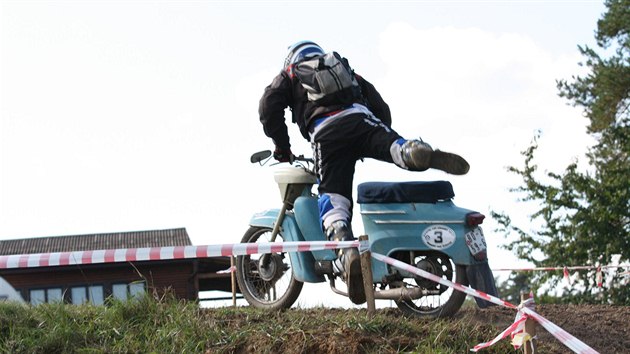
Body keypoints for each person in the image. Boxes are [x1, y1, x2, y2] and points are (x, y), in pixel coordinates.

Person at [258, 41, 469, 304]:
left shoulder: (290, 73)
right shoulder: (341, 66)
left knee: (333, 199)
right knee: (393, 145)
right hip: (361, 119)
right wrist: (379, 132)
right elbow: (378, 103)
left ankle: (348, 254)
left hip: (327, 133)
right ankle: (409, 151)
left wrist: (282, 147)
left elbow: (268, 106)